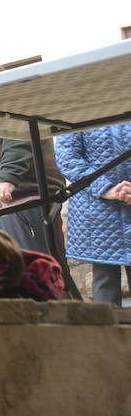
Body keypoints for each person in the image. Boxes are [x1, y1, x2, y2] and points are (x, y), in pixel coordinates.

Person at [0, 53, 65, 258]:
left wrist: (7, 179)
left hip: (18, 201)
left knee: (34, 273)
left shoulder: (10, 96)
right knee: (19, 276)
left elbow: (20, 134)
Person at [55, 122, 131, 306]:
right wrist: (105, 188)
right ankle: (106, 334)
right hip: (97, 210)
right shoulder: (79, 109)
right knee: (105, 283)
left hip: (106, 206)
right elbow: (68, 157)